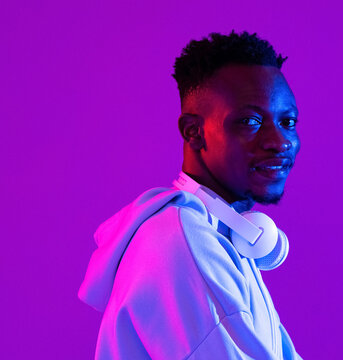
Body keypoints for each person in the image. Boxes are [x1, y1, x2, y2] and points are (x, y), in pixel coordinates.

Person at [78, 31, 302, 359]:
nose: (279, 141)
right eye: (250, 121)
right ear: (193, 132)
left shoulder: (221, 232)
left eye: (288, 121)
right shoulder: (181, 239)